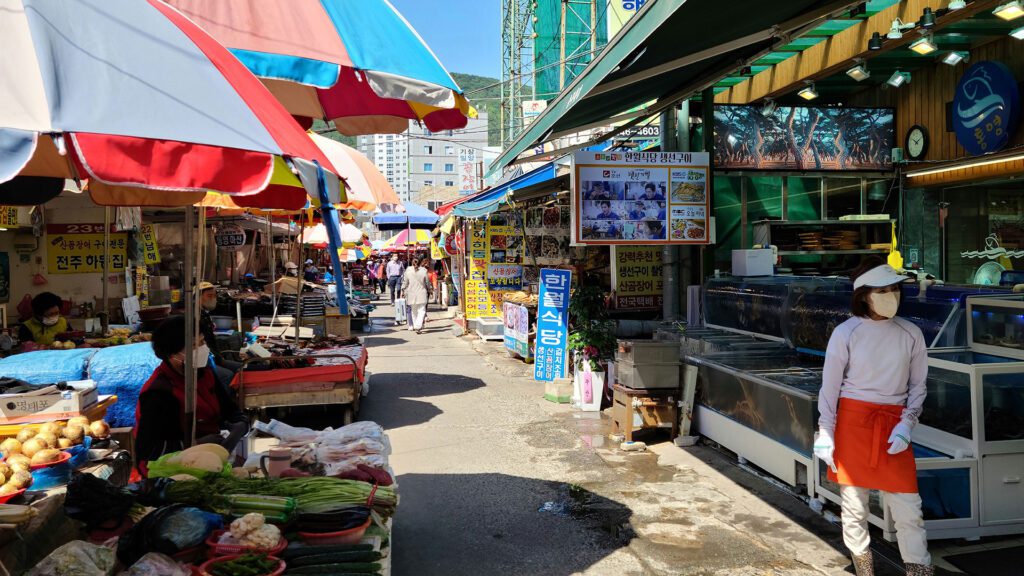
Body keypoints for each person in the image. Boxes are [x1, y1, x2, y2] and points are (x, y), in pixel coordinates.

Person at [814, 258, 932, 576]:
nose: (891, 295)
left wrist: (907, 424)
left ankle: (919, 569)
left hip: (894, 424)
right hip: (853, 424)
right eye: (882, 290)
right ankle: (864, 569)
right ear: (864, 294)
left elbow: (918, 386)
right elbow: (830, 388)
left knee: (909, 508)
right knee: (854, 507)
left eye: (894, 288)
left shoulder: (911, 333)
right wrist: (825, 431)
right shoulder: (846, 332)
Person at [133, 316, 248, 475]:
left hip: (209, 460)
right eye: (194, 346)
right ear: (172, 353)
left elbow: (230, 410)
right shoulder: (159, 392)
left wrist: (240, 424)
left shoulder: (205, 374)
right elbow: (147, 449)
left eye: (202, 342)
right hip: (167, 470)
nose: (202, 349)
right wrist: (192, 444)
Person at [198, 281, 241, 386]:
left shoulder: (205, 315)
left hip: (215, 358)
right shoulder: (196, 317)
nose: (213, 298)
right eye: (209, 295)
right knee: (228, 375)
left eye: (214, 295)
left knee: (242, 369)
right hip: (203, 362)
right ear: (197, 297)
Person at [401, 257, 432, 333]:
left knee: (414, 311)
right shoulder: (424, 271)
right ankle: (418, 326)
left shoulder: (408, 271)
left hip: (411, 293)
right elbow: (427, 282)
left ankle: (416, 325)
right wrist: (430, 289)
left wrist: (403, 290)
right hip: (422, 293)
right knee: (422, 310)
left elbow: (405, 282)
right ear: (420, 262)